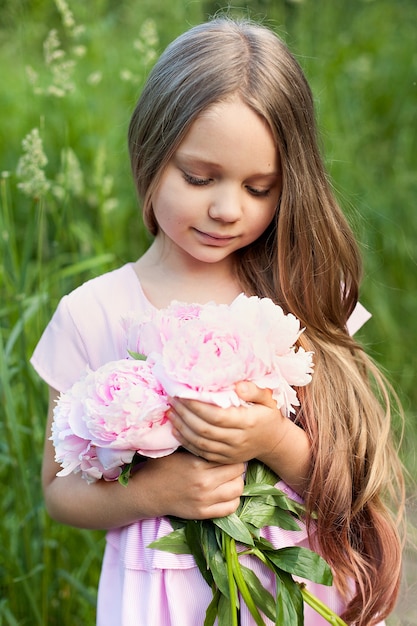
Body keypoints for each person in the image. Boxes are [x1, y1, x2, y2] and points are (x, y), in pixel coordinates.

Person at [31, 16, 404, 626]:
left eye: (261, 188)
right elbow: (58, 492)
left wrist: (274, 442)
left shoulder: (302, 287)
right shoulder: (91, 313)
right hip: (161, 601)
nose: (228, 209)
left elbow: (354, 467)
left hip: (296, 592)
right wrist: (153, 493)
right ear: (151, 153)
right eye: (200, 178)